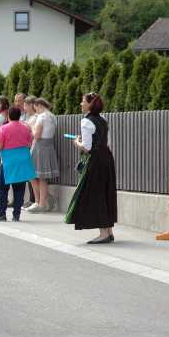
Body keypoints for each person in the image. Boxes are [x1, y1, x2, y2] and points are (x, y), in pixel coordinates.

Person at [65, 93, 117, 244]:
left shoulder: (86, 121)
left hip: (95, 161)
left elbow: (87, 147)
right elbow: (106, 142)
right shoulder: (103, 120)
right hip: (106, 159)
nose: (81, 104)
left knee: (96, 195)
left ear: (89, 104)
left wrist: (76, 142)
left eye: (83, 101)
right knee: (106, 193)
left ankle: (103, 234)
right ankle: (109, 231)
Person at [0, 106, 35, 222]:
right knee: (19, 188)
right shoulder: (26, 128)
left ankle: (1, 213)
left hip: (8, 161)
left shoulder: (4, 128)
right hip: (23, 159)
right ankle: (16, 214)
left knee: (3, 188)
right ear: (19, 115)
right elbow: (30, 142)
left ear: (9, 116)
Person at [27, 98, 59, 213]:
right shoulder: (52, 116)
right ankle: (43, 201)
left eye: (36, 108)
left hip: (40, 146)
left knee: (37, 176)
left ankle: (40, 203)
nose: (36, 111)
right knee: (41, 177)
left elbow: (37, 135)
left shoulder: (42, 117)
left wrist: (31, 127)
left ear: (39, 105)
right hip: (48, 146)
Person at [22, 96, 38, 208]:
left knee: (32, 175)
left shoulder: (35, 118)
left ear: (31, 105)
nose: (24, 107)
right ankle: (32, 199)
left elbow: (33, 133)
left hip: (31, 147)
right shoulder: (28, 117)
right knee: (29, 175)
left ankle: (34, 200)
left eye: (25, 105)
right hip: (27, 147)